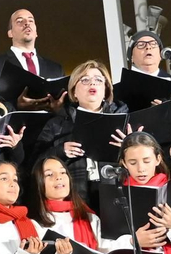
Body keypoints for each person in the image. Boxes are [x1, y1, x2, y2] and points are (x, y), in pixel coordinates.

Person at [35, 60, 129, 206]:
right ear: (74, 92)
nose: (92, 83)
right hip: (75, 195)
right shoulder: (57, 124)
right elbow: (35, 163)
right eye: (85, 80)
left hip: (116, 192)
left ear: (106, 90)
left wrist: (129, 147)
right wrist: (60, 150)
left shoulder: (123, 120)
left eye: (98, 80)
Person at [0, 8, 65, 111]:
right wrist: (16, 105)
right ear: (10, 33)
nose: (27, 23)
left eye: (31, 20)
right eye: (20, 21)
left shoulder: (56, 69)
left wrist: (59, 108)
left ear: (36, 32)